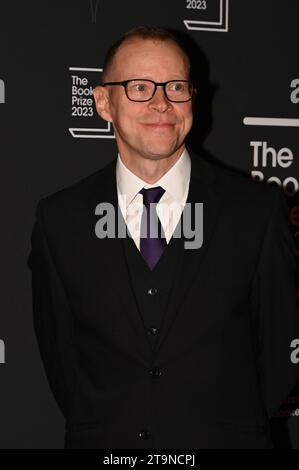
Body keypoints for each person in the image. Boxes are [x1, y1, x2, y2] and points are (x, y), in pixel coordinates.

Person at [28, 26, 298, 449]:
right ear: (103, 102)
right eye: (139, 87)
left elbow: (279, 355)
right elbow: (62, 363)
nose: (161, 103)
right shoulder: (60, 219)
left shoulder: (256, 211)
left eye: (175, 86)